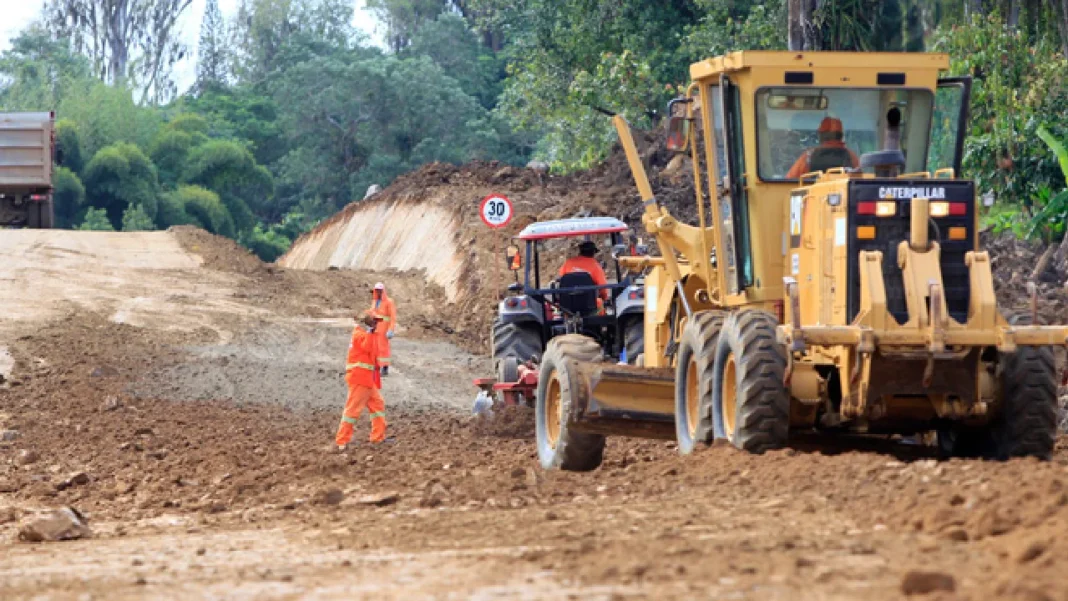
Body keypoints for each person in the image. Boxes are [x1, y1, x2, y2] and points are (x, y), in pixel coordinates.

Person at [336, 310, 389, 451]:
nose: (377, 324)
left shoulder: (365, 334)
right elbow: (367, 347)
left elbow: (373, 354)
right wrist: (372, 332)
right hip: (359, 378)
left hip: (366, 379)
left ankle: (378, 437)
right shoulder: (359, 334)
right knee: (353, 410)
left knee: (377, 405)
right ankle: (342, 440)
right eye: (374, 321)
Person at [785, 116, 859, 179]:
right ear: (841, 135)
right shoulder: (851, 156)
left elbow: (789, 180)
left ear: (821, 135)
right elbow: (860, 180)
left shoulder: (808, 156)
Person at [369, 282, 397, 375]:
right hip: (376, 328)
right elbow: (372, 313)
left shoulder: (389, 302)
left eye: (380, 291)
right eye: (377, 291)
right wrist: (370, 325)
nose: (378, 292)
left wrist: (391, 329)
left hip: (384, 329)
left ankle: (385, 367)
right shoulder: (375, 301)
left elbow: (392, 317)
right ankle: (377, 366)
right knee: (375, 348)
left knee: (383, 348)